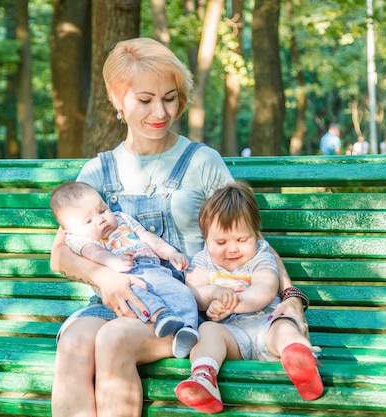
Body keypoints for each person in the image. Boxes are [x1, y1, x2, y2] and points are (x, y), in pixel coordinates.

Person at [49, 37, 309, 417]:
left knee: (114, 340)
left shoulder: (201, 161)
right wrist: (105, 279)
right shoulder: (98, 172)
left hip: (187, 306)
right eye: (145, 99)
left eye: (170, 98)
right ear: (116, 99)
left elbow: (251, 238)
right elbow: (60, 254)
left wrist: (290, 295)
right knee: (73, 341)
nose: (160, 111)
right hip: (121, 298)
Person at [175, 182, 323, 413]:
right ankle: (204, 378)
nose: (232, 249)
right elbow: (192, 292)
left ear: (256, 233)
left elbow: (265, 288)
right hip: (232, 337)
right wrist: (212, 295)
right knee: (208, 332)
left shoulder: (260, 255)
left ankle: (299, 359)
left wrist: (233, 304)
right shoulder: (203, 260)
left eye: (242, 240)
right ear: (206, 238)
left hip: (265, 324)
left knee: (283, 326)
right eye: (221, 242)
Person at [49, 181, 199, 358]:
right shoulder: (78, 239)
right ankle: (161, 315)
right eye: (88, 221)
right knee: (137, 293)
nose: (101, 220)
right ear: (68, 231)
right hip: (123, 278)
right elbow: (95, 253)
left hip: (154, 271)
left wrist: (171, 253)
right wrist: (113, 262)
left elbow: (147, 237)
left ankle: (187, 332)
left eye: (102, 210)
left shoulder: (122, 219)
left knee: (182, 292)